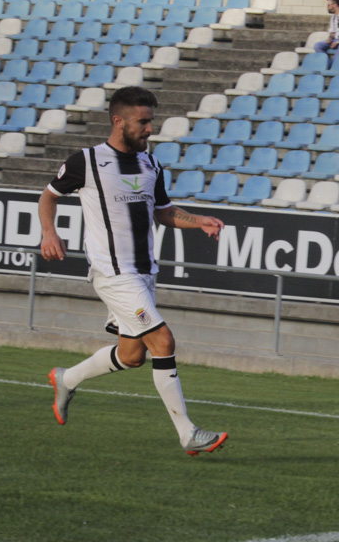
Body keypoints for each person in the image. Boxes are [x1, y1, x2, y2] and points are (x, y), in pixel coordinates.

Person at [38, 86, 229, 457]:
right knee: (163, 343)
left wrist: (198, 220)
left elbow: (164, 211)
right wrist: (49, 231)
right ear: (118, 121)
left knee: (131, 356)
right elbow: (49, 196)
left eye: (151, 121)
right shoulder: (87, 162)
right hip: (113, 273)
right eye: (143, 122)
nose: (149, 129)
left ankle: (67, 378)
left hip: (144, 272)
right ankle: (188, 433)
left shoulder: (151, 164)